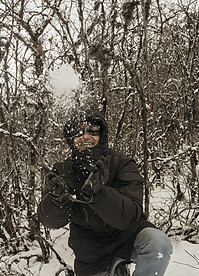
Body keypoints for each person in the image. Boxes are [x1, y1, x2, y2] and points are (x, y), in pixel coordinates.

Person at [38, 108, 172, 276]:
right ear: (72, 138)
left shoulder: (122, 163)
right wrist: (56, 200)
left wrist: (99, 195)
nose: (85, 136)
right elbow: (49, 221)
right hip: (91, 252)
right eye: (78, 132)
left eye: (92, 130)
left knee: (158, 243)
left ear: (101, 134)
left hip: (127, 236)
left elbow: (131, 215)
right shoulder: (63, 171)